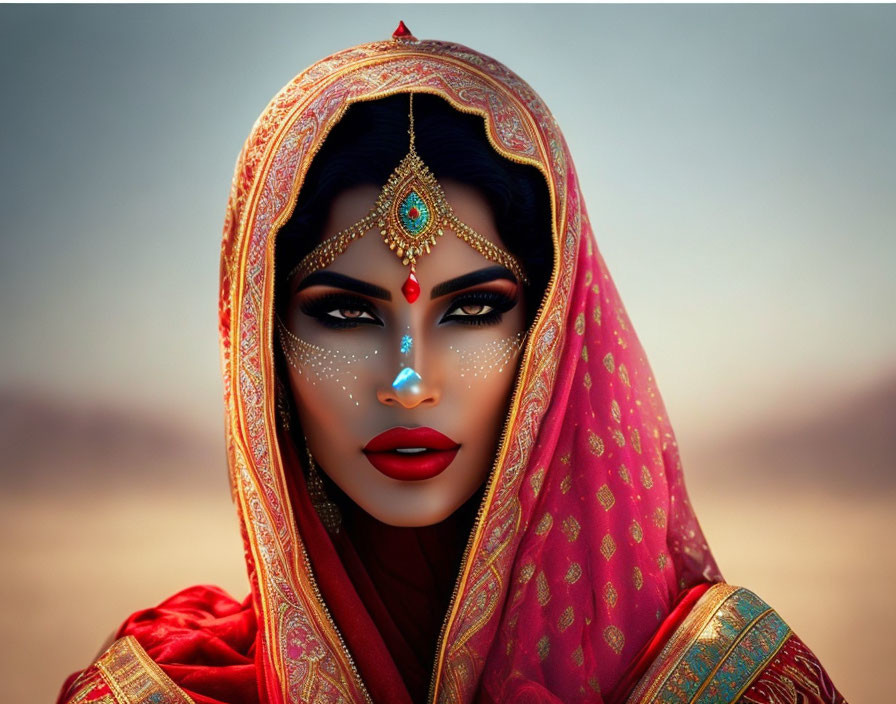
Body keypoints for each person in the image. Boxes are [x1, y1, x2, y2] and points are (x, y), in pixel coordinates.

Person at [58, 23, 846, 704]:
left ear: (551, 341)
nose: (408, 379)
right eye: (344, 313)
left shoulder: (718, 680)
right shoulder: (165, 684)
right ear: (263, 356)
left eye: (472, 311)